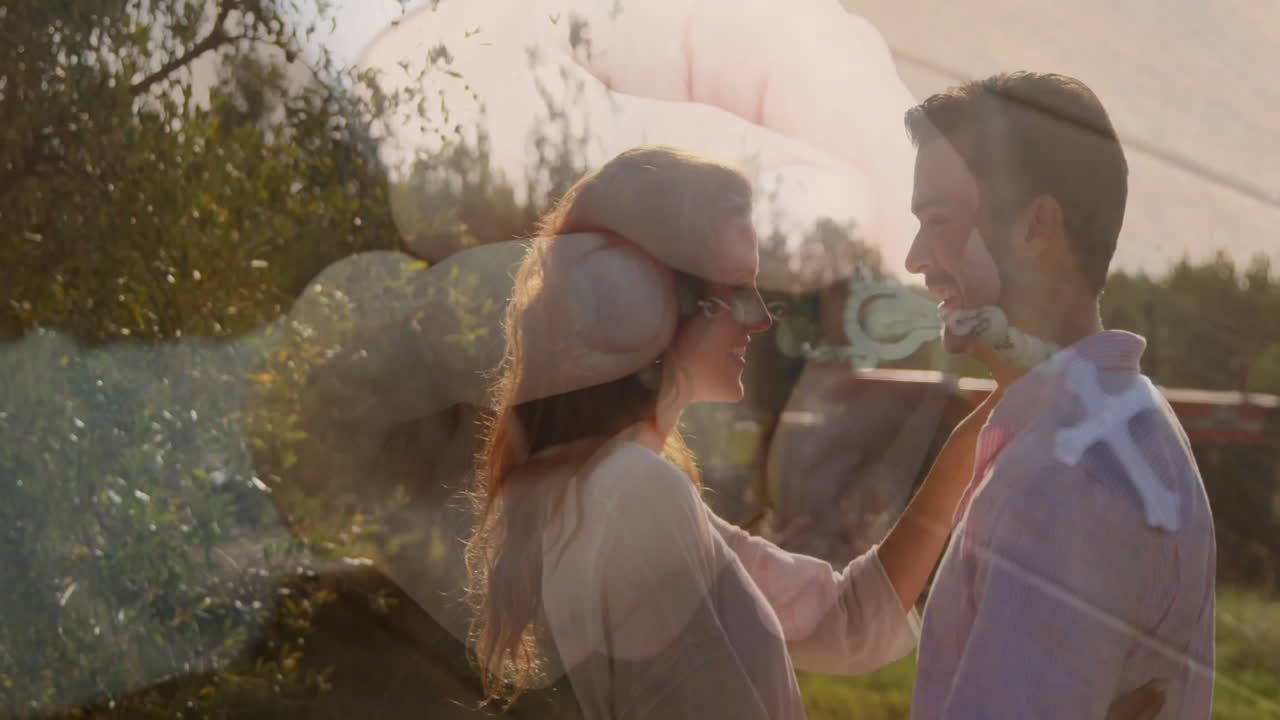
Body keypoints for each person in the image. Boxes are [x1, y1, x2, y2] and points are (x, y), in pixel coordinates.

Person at [465, 144, 1168, 719]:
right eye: (737, 287)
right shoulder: (638, 498)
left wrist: (988, 423)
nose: (760, 318)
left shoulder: (609, 488)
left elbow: (844, 620)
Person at [902, 71, 1216, 718]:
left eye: (937, 221)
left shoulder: (1065, 479)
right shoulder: (1129, 421)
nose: (914, 258)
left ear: (1037, 227)